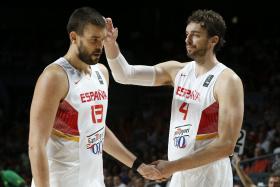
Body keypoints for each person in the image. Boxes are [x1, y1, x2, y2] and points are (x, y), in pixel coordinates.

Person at [104, 9, 244, 186]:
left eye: (195, 35)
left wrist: (171, 167)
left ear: (213, 40)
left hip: (211, 176)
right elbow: (124, 75)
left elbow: (226, 145)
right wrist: (110, 44)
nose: (187, 40)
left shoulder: (227, 80)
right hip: (179, 174)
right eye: (187, 34)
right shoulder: (176, 71)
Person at [28, 7, 159, 187]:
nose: (99, 47)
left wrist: (138, 166)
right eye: (94, 40)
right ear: (74, 37)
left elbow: (98, 132)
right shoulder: (54, 77)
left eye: (102, 40)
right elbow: (36, 145)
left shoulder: (102, 73)